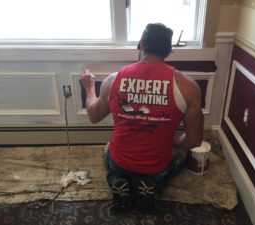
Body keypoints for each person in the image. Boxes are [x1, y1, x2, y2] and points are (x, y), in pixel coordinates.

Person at [80, 23, 204, 214]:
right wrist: (172, 139)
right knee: (180, 154)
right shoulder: (188, 87)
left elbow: (93, 116)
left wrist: (89, 87)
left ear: (141, 44)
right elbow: (194, 140)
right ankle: (152, 184)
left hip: (120, 162)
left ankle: (118, 181)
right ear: (168, 51)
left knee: (107, 149)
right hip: (156, 167)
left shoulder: (113, 80)